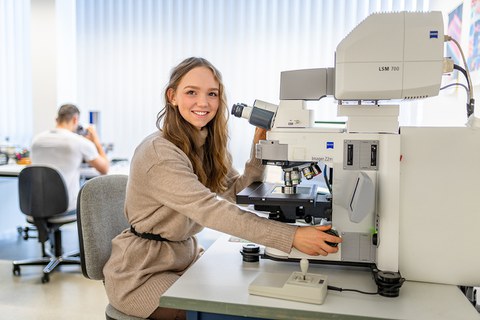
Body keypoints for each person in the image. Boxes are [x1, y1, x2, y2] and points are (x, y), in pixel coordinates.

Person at [103, 57, 342, 320]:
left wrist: (258, 151)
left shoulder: (205, 144)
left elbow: (233, 192)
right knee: (223, 312)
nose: (203, 103)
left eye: (212, 94)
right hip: (142, 272)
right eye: (191, 92)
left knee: (246, 294)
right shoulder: (160, 153)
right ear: (172, 96)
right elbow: (211, 210)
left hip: (185, 258)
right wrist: (291, 236)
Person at [31, 104, 109, 212]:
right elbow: (104, 169)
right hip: (65, 206)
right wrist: (96, 140)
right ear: (75, 119)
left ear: (56, 119)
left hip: (35, 205)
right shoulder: (79, 141)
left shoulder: (36, 140)